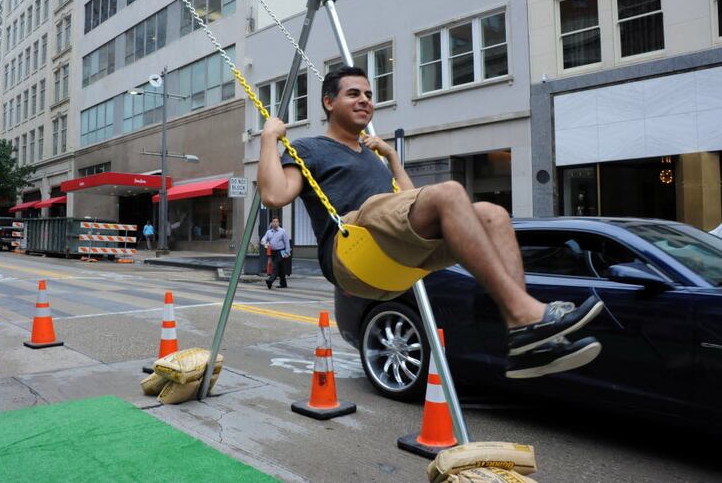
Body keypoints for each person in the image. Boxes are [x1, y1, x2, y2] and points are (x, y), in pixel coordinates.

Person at [257, 66, 604, 379]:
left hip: (393, 256)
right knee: (449, 192)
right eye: (354, 94)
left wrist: (391, 157)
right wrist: (269, 137)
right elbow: (274, 195)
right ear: (329, 102)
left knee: (494, 215)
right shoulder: (310, 148)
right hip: (352, 248)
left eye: (369, 95)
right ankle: (526, 314)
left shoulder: (372, 156)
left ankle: (523, 335)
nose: (365, 100)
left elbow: (410, 202)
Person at [260, 217, 291, 289]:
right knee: (281, 268)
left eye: (277, 221)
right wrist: (266, 244)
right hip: (273, 252)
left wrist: (287, 252)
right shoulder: (269, 232)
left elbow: (287, 242)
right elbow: (263, 240)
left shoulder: (282, 231)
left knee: (275, 267)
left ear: (279, 223)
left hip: (281, 252)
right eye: (274, 221)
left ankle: (270, 281)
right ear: (271, 223)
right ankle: (283, 283)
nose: (275, 223)